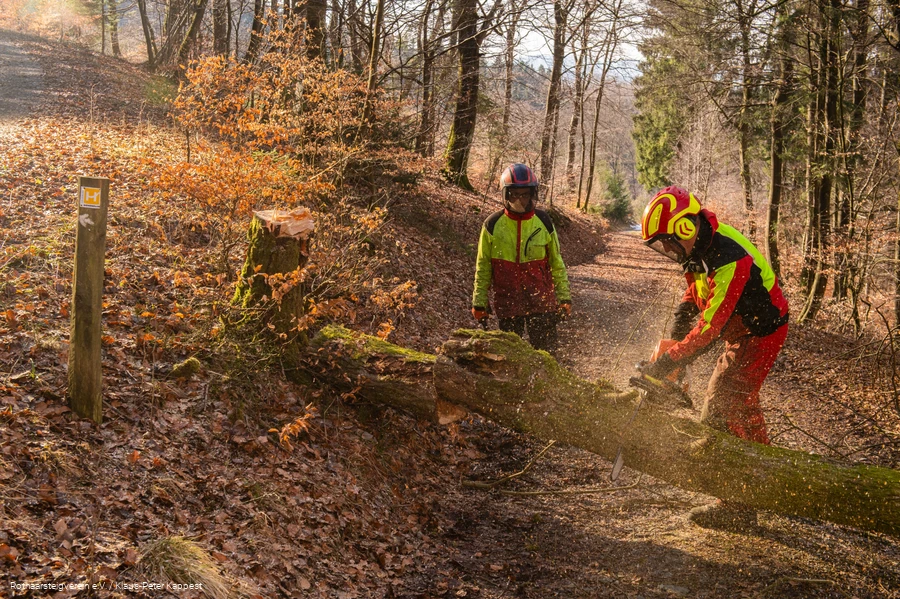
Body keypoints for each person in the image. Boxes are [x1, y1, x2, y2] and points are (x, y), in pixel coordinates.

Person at [639, 186, 789, 530]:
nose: (666, 249)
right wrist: (673, 340)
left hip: (760, 331)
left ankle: (737, 505)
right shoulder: (696, 248)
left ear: (685, 228)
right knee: (742, 406)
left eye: (667, 241)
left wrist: (668, 363)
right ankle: (772, 479)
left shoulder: (728, 256)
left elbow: (709, 329)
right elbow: (695, 294)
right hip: (743, 329)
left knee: (722, 401)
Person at [471, 163, 571, 353]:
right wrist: (479, 302)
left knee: (546, 355)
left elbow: (556, 263)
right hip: (507, 300)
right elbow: (483, 266)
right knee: (509, 356)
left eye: (525, 194)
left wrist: (564, 297)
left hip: (541, 300)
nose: (520, 200)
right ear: (506, 195)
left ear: (533, 194)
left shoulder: (544, 221)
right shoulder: (492, 224)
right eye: (515, 195)